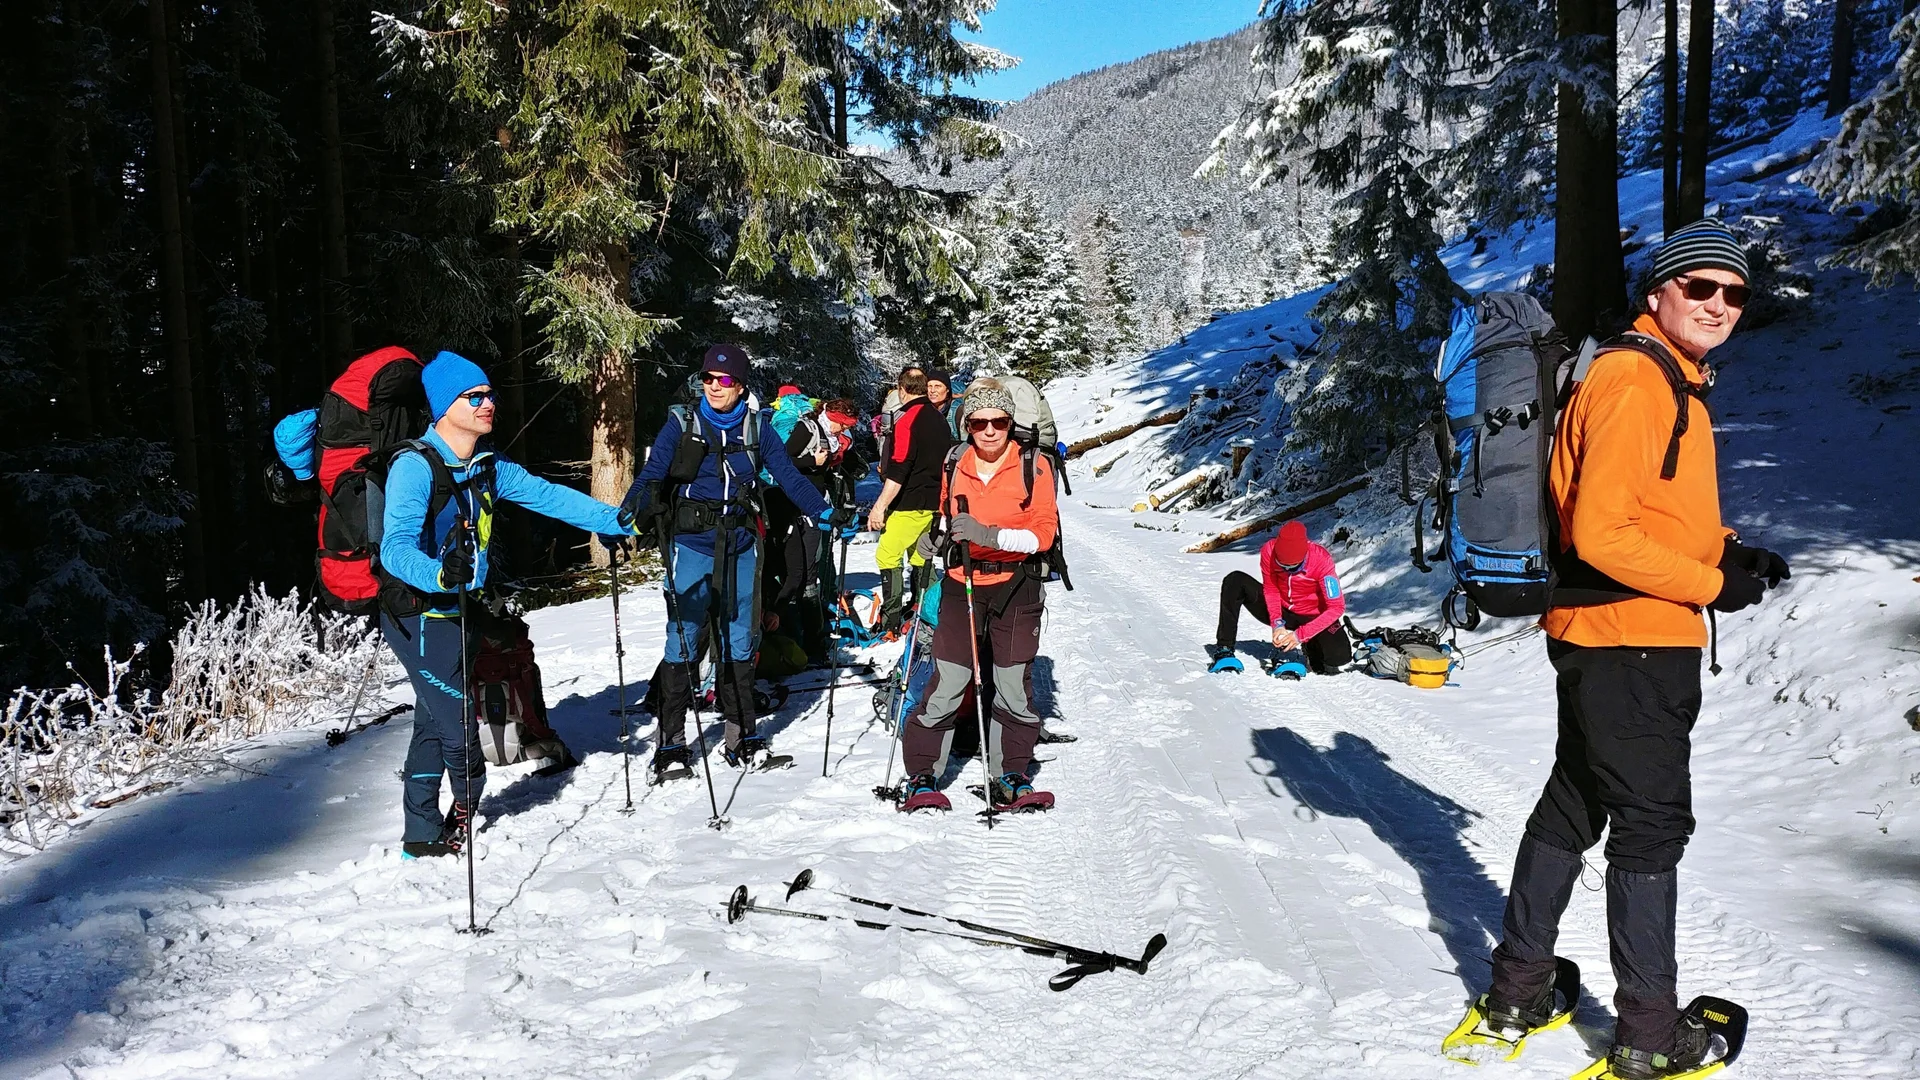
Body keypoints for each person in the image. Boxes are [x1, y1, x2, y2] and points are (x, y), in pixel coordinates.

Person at [1479, 219, 1789, 1080]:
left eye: (1734, 292)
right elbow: (1605, 533)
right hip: (1636, 643)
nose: (1720, 303)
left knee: (1574, 804)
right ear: (1658, 293)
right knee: (1650, 829)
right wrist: (1707, 585)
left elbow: (1648, 509)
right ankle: (1650, 1036)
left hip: (1604, 637)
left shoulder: (1662, 377)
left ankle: (1519, 988)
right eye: (1700, 286)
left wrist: (1726, 551)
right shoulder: (1637, 379)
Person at [378, 351, 632, 859]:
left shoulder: (488, 467)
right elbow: (394, 546)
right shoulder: (414, 466)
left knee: (433, 722)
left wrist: (621, 520)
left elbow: (550, 496)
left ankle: (420, 836)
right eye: (474, 397)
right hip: (419, 617)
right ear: (444, 407)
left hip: (462, 611)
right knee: (462, 741)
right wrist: (436, 573)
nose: (488, 403)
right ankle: (459, 812)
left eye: (490, 394)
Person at [621, 345, 850, 777]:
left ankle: (742, 736)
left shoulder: (758, 427)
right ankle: (670, 742)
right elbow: (650, 478)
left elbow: (788, 476)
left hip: (741, 543)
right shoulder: (681, 423)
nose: (713, 387)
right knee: (685, 638)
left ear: (741, 385)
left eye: (723, 381)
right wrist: (625, 515)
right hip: (691, 544)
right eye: (707, 378)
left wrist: (823, 511)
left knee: (739, 639)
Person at [897, 382, 1058, 812]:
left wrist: (988, 536)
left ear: (1010, 424)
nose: (989, 430)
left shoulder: (1034, 466)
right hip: (960, 581)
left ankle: (1011, 773)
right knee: (948, 680)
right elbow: (946, 516)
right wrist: (935, 537)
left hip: (1016, 585)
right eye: (979, 422)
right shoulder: (955, 462)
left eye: (999, 422)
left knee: (1012, 684)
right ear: (967, 424)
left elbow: (1043, 534)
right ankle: (922, 774)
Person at [868, 366, 953, 633]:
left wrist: (880, 506)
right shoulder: (939, 418)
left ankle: (890, 618)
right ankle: (922, 609)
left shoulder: (907, 419)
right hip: (932, 501)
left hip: (908, 501)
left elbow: (900, 467)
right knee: (919, 556)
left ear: (901, 389)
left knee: (888, 555)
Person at [1206, 520, 1351, 676]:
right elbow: (1271, 588)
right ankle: (1225, 648)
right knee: (1235, 581)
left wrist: (1301, 635)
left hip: (1312, 615)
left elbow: (1336, 607)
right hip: (1281, 609)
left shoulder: (1321, 560)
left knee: (1339, 657)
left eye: (1293, 567)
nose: (1288, 570)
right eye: (1283, 566)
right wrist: (1277, 623)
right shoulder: (1269, 550)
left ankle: (1310, 644)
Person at [925, 368, 962, 438]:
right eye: (929, 386)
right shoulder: (923, 410)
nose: (932, 390)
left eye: (937, 386)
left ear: (947, 389)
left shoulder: (958, 411)